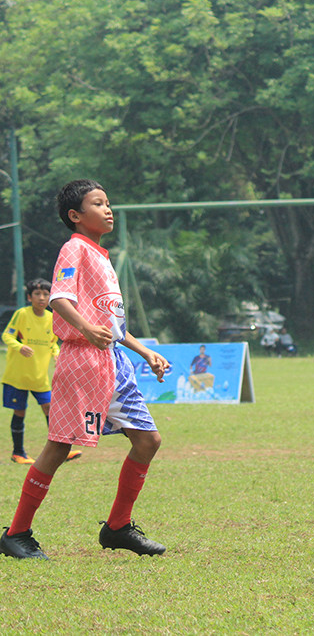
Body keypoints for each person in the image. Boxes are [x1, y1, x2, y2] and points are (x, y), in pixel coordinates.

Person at [0, 179, 169, 560]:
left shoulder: (101, 255)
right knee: (60, 445)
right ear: (76, 215)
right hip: (83, 362)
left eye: (108, 202)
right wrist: (84, 327)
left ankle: (118, 528)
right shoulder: (73, 249)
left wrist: (145, 352)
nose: (108, 209)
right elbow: (60, 297)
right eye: (98, 203)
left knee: (148, 441)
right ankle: (16, 533)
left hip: (115, 363)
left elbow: (113, 327)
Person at [2, 279, 82, 464]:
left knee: (52, 411)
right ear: (29, 297)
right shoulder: (22, 314)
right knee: (20, 412)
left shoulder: (52, 318)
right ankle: (18, 453)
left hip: (40, 379)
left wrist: (57, 353)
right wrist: (19, 346)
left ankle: (60, 452)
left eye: (46, 294)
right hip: (18, 377)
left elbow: (52, 343)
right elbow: (7, 335)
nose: (42, 298)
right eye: (37, 294)